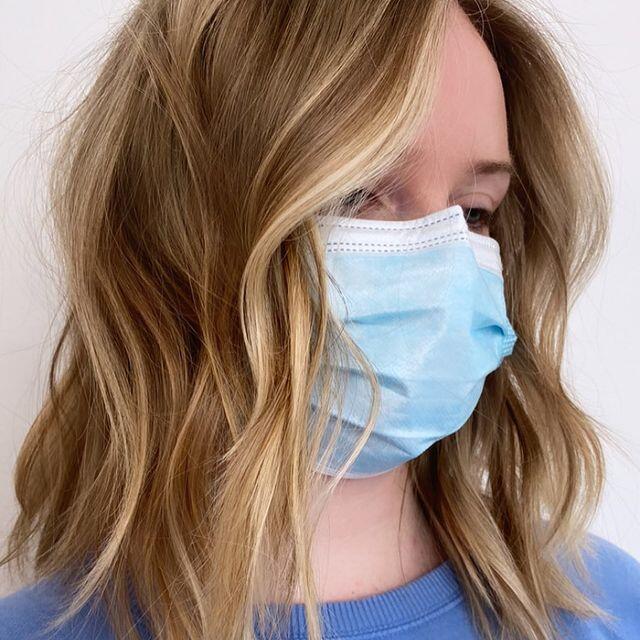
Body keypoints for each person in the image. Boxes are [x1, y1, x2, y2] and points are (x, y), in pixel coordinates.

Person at [1, 0, 639, 639]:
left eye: (473, 211)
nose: (445, 261)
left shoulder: (607, 608)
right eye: (356, 193)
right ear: (180, 231)